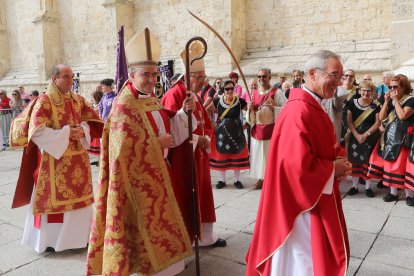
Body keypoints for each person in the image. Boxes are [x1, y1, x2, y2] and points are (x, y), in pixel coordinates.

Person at [86, 28, 196, 276]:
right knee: (143, 231)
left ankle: (168, 265)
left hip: (159, 173)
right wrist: (157, 144)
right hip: (135, 182)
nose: (152, 79)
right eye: (146, 74)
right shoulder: (125, 104)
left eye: (155, 74)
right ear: (132, 75)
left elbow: (166, 131)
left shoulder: (151, 97)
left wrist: (183, 114)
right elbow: (121, 147)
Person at [246, 49, 351, 276]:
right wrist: (333, 169)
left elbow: (324, 143)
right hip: (300, 208)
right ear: (313, 74)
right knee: (303, 261)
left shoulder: (313, 104)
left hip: (314, 196)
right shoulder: (298, 110)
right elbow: (295, 167)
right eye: (334, 75)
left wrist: (339, 159)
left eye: (340, 76)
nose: (339, 82)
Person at [9, 64, 103, 253]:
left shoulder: (78, 99)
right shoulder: (44, 102)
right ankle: (53, 240)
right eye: (66, 77)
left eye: (72, 77)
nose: (71, 80)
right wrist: (67, 133)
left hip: (78, 158)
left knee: (81, 198)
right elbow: (36, 131)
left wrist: (81, 131)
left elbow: (90, 122)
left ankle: (81, 237)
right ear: (54, 79)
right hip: (54, 160)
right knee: (56, 200)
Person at [162, 40, 227, 249]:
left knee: (203, 195)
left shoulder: (196, 96)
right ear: (188, 77)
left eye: (203, 78)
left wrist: (206, 137)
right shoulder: (174, 94)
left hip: (199, 156)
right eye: (199, 78)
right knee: (187, 196)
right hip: (183, 158)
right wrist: (199, 139)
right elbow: (171, 128)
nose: (203, 82)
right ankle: (187, 236)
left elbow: (206, 123)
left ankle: (205, 236)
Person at [373, 75, 414, 206]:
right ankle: (393, 192)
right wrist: (386, 102)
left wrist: (395, 100)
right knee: (391, 164)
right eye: (390, 87)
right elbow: (381, 117)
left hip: (406, 138)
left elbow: (403, 116)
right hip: (391, 137)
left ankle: (409, 195)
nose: (392, 89)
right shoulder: (392, 99)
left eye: (395, 86)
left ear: (403, 87)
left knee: (405, 166)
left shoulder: (410, 100)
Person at [208, 80, 250, 189]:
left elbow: (250, 111)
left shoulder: (240, 101)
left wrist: (247, 124)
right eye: (227, 89)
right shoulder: (217, 100)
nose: (230, 91)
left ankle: (237, 180)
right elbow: (207, 110)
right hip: (222, 133)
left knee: (237, 154)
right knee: (222, 155)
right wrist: (212, 123)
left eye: (232, 88)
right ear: (223, 90)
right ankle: (222, 180)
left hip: (237, 132)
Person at [345, 80, 381, 197]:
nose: (366, 93)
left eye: (368, 90)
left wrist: (365, 135)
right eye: (363, 90)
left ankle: (368, 187)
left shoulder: (375, 105)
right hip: (355, 136)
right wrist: (357, 135)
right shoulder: (352, 102)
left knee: (367, 161)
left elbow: (377, 123)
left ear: (372, 92)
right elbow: (349, 122)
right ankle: (354, 186)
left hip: (369, 137)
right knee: (354, 162)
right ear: (360, 91)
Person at [246, 68, 278, 190]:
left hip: (272, 130)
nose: (261, 79)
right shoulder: (254, 93)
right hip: (257, 130)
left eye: (264, 76)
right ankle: (261, 179)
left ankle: (271, 180)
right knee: (259, 157)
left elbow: (285, 109)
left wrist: (275, 107)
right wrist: (250, 108)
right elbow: (250, 117)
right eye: (259, 76)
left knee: (270, 156)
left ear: (270, 77)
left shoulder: (276, 92)